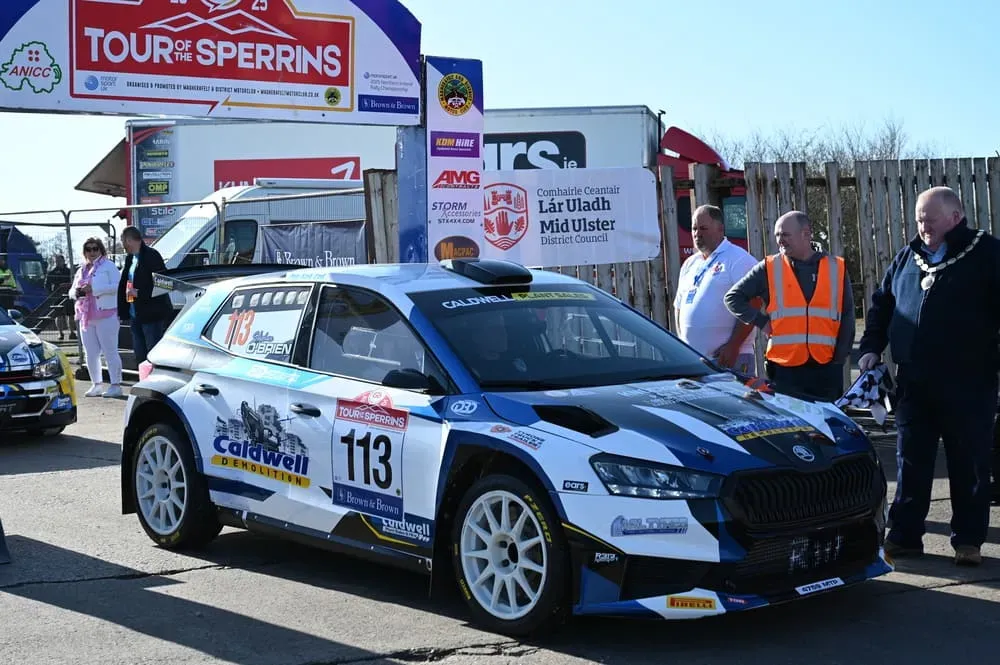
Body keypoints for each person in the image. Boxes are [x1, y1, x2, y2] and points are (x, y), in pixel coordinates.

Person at [857, 186, 1000, 566]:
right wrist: (871, 346)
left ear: (955, 217)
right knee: (910, 460)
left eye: (930, 220)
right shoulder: (908, 256)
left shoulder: (987, 253)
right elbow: (882, 304)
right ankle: (904, 537)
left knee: (968, 463)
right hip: (914, 382)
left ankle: (968, 541)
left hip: (969, 382)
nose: (924, 227)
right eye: (920, 220)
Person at [724, 210, 854, 402]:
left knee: (825, 420)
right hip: (785, 370)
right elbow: (733, 298)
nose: (780, 240)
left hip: (826, 369)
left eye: (785, 234)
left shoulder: (836, 268)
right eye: (777, 235)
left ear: (806, 234)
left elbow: (848, 316)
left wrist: (839, 360)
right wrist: (761, 322)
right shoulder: (770, 267)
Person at [673, 204, 759, 373]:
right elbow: (679, 307)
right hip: (694, 362)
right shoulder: (690, 264)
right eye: (694, 228)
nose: (697, 234)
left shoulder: (738, 259)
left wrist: (734, 345)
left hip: (728, 359)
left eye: (703, 228)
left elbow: (754, 303)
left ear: (720, 229)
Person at [69, 238, 124, 398]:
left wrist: (94, 288)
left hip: (106, 314)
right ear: (84, 251)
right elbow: (71, 290)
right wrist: (76, 292)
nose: (92, 252)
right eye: (88, 249)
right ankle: (96, 384)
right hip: (86, 316)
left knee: (110, 351)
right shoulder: (81, 269)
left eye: (95, 248)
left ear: (101, 250)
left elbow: (118, 286)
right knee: (91, 353)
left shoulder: (109, 266)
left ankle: (116, 385)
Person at [118, 226, 173, 364]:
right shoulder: (130, 259)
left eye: (123, 241)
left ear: (129, 240)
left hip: (152, 315)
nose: (122, 245)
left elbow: (165, 284)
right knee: (140, 354)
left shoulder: (152, 256)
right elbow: (125, 283)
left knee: (153, 354)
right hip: (135, 315)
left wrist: (140, 293)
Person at [45, 254, 75, 341]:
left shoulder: (69, 271)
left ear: (63, 261)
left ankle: (72, 333)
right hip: (57, 297)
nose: (57, 262)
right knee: (59, 316)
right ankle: (60, 333)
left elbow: (74, 282)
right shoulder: (52, 272)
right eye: (56, 261)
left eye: (59, 260)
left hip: (69, 296)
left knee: (71, 315)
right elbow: (47, 285)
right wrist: (51, 294)